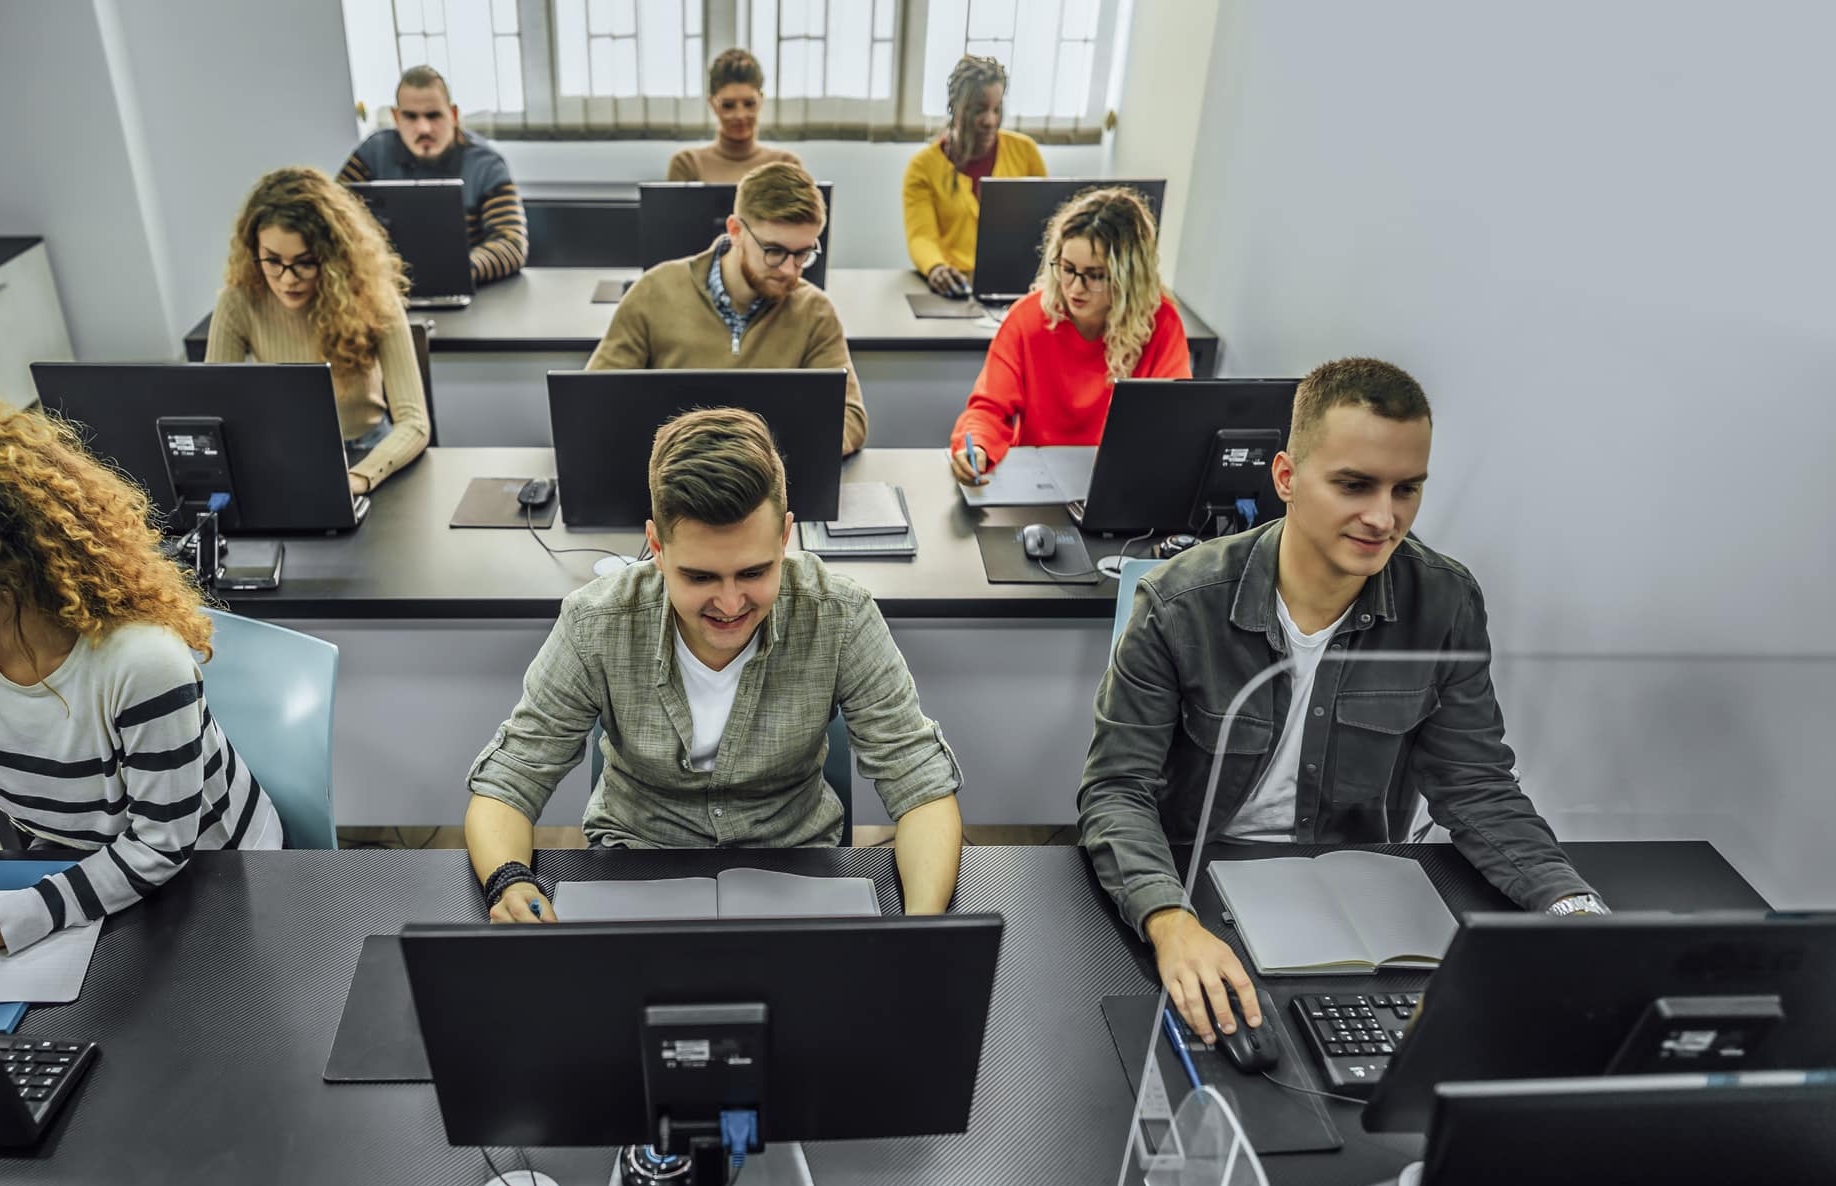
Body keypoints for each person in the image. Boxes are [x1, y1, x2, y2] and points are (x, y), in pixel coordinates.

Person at [1077, 358, 1607, 1043]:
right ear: (1286, 478)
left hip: (1361, 909)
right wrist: (1169, 921)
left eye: (1406, 489)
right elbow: (1117, 790)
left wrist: (1572, 908)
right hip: (1199, 884)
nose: (1383, 517)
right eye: (1354, 485)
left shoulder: (1443, 602)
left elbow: (1475, 787)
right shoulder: (1180, 603)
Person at [0, 387, 284, 972]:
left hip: (218, 870)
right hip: (74, 868)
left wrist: (0, 925)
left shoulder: (140, 661)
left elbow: (160, 846)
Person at [465, 408, 962, 920]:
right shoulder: (596, 623)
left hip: (798, 864)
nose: (730, 604)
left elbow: (920, 786)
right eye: (700, 578)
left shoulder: (840, 616)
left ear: (784, 537)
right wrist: (508, 881)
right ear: (656, 547)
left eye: (753, 572)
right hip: (635, 863)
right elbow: (509, 780)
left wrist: (920, 932)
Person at [588, 161, 868, 454]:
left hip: (768, 484)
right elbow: (597, 401)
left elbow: (850, 420)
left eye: (802, 254)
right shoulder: (654, 291)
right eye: (774, 251)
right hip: (673, 477)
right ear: (735, 231)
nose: (789, 269)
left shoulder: (815, 312)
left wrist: (757, 460)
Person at [208, 166, 430, 498]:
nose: (287, 279)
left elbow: (414, 422)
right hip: (284, 455)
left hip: (370, 450)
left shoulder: (373, 298)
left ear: (334, 259)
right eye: (272, 260)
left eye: (305, 262)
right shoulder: (237, 302)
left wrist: (360, 477)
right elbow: (214, 413)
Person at [948, 185, 1189, 484]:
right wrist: (977, 445)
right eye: (1068, 269)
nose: (1075, 288)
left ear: (1129, 276)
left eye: (1095, 275)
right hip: (1036, 483)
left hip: (1119, 480)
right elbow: (989, 408)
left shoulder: (1161, 324)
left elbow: (1172, 421)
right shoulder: (1028, 317)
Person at [338, 64, 528, 284]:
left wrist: (454, 272)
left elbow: (511, 244)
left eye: (433, 115)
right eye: (411, 116)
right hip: (383, 290)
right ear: (396, 117)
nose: (424, 128)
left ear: (453, 115)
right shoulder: (371, 155)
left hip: (464, 288)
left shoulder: (485, 164)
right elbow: (327, 218)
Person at [903, 54, 1047, 295]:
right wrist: (936, 268)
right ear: (955, 108)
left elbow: (1048, 223)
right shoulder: (923, 167)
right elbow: (921, 236)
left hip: (1018, 285)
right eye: (979, 110)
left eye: (996, 109)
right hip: (955, 285)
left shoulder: (1025, 152)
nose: (990, 121)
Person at [666, 47, 801, 183]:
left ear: (761, 101)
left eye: (749, 104)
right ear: (712, 104)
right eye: (728, 105)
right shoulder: (687, 164)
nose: (740, 116)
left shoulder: (787, 165)